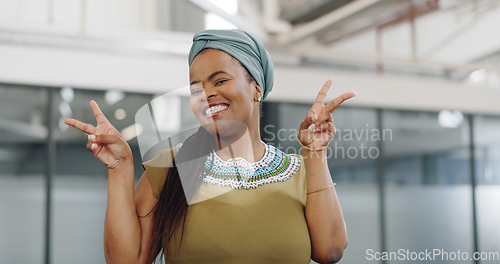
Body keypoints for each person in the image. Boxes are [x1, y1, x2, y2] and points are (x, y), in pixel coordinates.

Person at [65, 29, 355, 264]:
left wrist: (315, 153)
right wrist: (119, 168)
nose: (206, 94)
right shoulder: (170, 168)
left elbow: (330, 251)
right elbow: (125, 261)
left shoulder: (301, 171)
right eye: (196, 88)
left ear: (256, 87)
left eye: (220, 80)